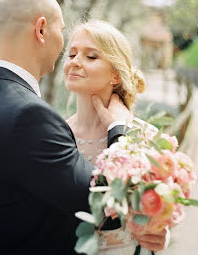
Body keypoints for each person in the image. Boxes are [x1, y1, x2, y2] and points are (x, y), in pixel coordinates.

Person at [0, 0, 133, 255]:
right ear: (41, 29)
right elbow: (105, 204)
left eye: (91, 55)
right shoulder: (30, 117)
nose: (69, 53)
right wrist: (118, 129)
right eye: (62, 31)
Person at [63, 20, 168, 255]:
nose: (75, 62)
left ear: (115, 75)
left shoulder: (145, 136)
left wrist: (161, 234)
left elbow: (160, 208)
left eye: (91, 57)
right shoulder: (56, 135)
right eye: (71, 54)